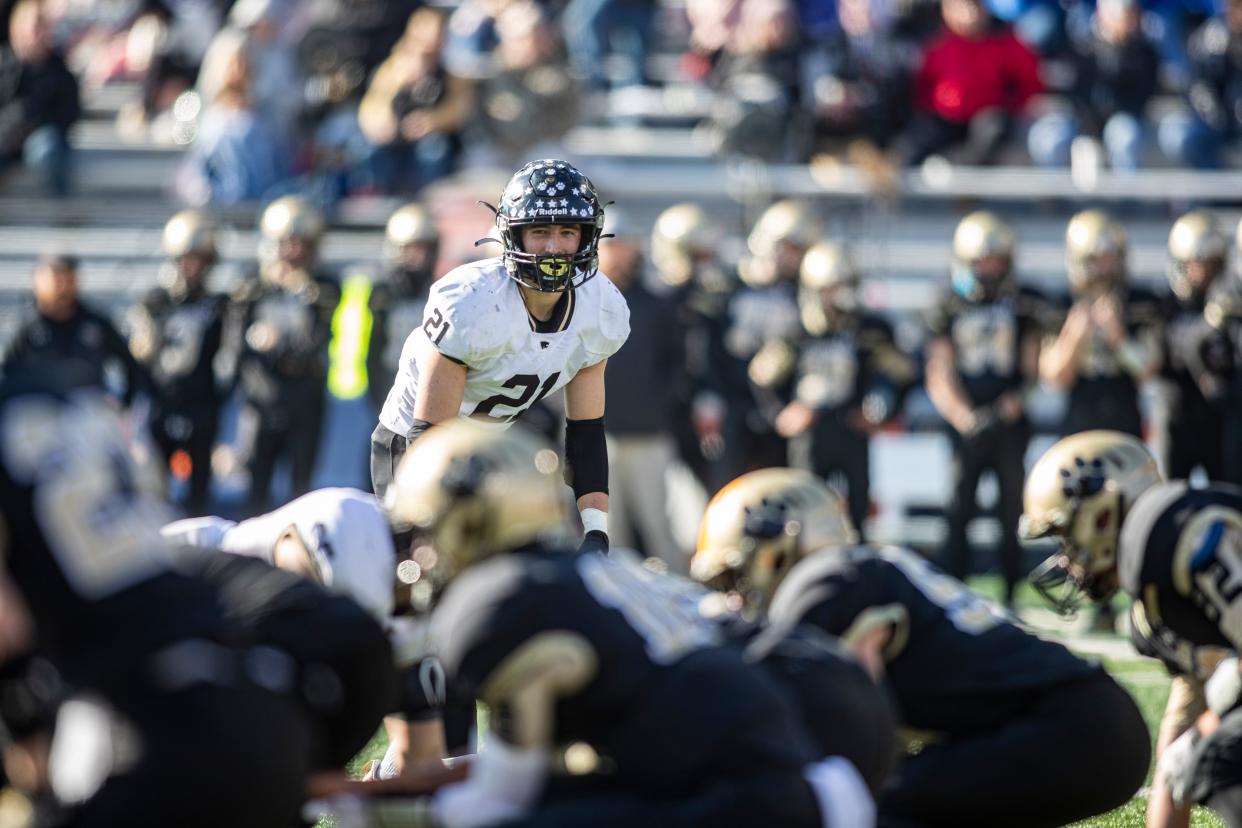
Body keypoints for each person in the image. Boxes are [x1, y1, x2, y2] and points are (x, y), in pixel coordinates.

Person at [368, 420, 876, 828]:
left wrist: (401, 809)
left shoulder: (500, 602)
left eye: (425, 531)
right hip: (800, 740)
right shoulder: (590, 571)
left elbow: (504, 797)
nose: (420, 553)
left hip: (758, 787)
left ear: (469, 520)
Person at [694, 466, 1151, 828]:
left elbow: (852, 713)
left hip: (1071, 729)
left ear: (777, 544)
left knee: (861, 804)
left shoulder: (828, 581)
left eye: (735, 576)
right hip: (1085, 722)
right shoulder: (862, 567)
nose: (736, 597)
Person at [0, 378, 311, 827]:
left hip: (135, 736)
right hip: (258, 703)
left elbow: (8, 627)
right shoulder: (62, 395)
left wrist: (26, 736)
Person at [372, 159, 630, 556]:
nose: (553, 247)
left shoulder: (602, 309)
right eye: (540, 231)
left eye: (567, 232)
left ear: (588, 237)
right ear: (513, 235)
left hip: (493, 446)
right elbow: (430, 436)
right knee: (418, 562)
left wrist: (595, 528)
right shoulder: (473, 303)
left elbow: (586, 433)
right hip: (416, 445)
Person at [1018, 430, 1242, 827]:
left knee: (1214, 755)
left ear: (1102, 511)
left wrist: (1216, 714)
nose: (1065, 559)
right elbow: (1177, 746)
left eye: (1066, 537)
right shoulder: (1150, 609)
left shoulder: (1176, 534)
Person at [925, 211, 1046, 605]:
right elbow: (939, 371)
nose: (991, 268)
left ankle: (1012, 592)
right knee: (959, 507)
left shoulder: (1024, 302)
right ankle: (951, 591)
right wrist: (965, 417)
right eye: (983, 260)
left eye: (997, 260)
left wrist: (1011, 405)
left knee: (1012, 509)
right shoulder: (946, 302)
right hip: (966, 421)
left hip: (1009, 419)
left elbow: (1032, 370)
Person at [775, 241, 914, 538]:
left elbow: (903, 374)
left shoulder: (868, 330)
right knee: (805, 513)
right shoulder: (795, 331)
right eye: (827, 289)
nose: (834, 298)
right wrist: (782, 412)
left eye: (840, 287)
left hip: (853, 428)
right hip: (811, 434)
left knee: (857, 516)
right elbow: (762, 378)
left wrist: (881, 410)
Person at [224, 196, 340, 514]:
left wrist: (279, 341)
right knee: (256, 491)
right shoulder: (252, 286)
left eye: (300, 244)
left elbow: (314, 340)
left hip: (304, 400)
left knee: (300, 493)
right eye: (287, 243)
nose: (292, 252)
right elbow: (236, 346)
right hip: (260, 399)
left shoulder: (324, 287)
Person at [597, 211, 686, 571]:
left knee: (660, 529)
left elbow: (678, 365)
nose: (619, 252)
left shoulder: (655, 304)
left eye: (624, 243)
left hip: (648, 435)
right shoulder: (580, 301)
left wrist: (656, 407)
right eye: (611, 244)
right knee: (606, 533)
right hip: (597, 438)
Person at [128, 209, 228, 513]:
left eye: (199, 259)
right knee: (156, 491)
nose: (191, 267)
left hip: (201, 405)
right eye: (186, 259)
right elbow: (140, 357)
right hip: (162, 402)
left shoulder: (219, 305)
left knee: (199, 493)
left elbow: (227, 358)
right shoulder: (153, 302)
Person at [1041, 209, 1162, 439]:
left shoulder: (1140, 302)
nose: (1106, 268)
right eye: (1097, 260)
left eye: (1112, 258)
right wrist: (1075, 335)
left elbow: (1148, 373)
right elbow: (1054, 378)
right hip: (1078, 425)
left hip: (1126, 423)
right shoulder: (1061, 304)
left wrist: (1119, 338)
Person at [649, 202, 737, 494]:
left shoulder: (714, 296)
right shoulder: (656, 300)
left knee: (714, 480)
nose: (706, 263)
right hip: (666, 408)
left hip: (706, 401)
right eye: (698, 255)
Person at [1, 254, 154, 409]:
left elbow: (131, 368)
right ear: (38, 281)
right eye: (56, 279)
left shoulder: (96, 325)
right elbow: (7, 374)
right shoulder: (27, 329)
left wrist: (124, 405)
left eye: (67, 279)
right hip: (38, 409)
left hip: (85, 410)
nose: (61, 288)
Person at [1151, 212, 1236, 484]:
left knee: (1227, 496)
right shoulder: (1164, 304)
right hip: (1177, 413)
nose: (1202, 273)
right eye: (1195, 264)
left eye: (1210, 265)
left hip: (1218, 417)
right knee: (1170, 496)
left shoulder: (1231, 305)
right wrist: (1207, 328)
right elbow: (1165, 357)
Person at [367, 202, 441, 414]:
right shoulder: (380, 293)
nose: (418, 258)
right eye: (410, 249)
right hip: (389, 380)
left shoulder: (440, 292)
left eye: (423, 249)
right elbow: (371, 349)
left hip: (426, 383)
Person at [0, 0, 80, 196]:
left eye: (39, 27)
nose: (35, 34)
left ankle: (60, 207)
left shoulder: (59, 69)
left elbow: (69, 113)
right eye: (30, 27)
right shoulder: (5, 65)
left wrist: (32, 124)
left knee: (48, 148)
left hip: (40, 136)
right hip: (6, 136)